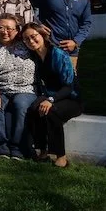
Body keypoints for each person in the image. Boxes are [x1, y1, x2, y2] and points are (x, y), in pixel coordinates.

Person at [22, 22, 83, 168]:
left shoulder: (58, 55)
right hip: (49, 95)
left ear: (42, 35)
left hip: (71, 98)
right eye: (26, 39)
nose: (31, 41)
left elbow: (69, 86)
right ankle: (42, 150)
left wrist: (51, 100)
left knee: (51, 112)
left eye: (34, 36)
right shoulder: (34, 57)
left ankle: (60, 156)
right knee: (33, 110)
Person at [0, 15, 36, 159]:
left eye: (10, 28)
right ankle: (2, 147)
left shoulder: (26, 43)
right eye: (1, 28)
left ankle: (17, 147)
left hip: (25, 89)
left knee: (20, 105)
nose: (5, 32)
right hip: (1, 89)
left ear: (17, 30)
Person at [29, 0, 93, 66]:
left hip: (72, 49)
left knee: (70, 78)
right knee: (50, 79)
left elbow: (86, 22)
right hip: (49, 46)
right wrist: (37, 24)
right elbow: (26, 6)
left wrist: (76, 42)